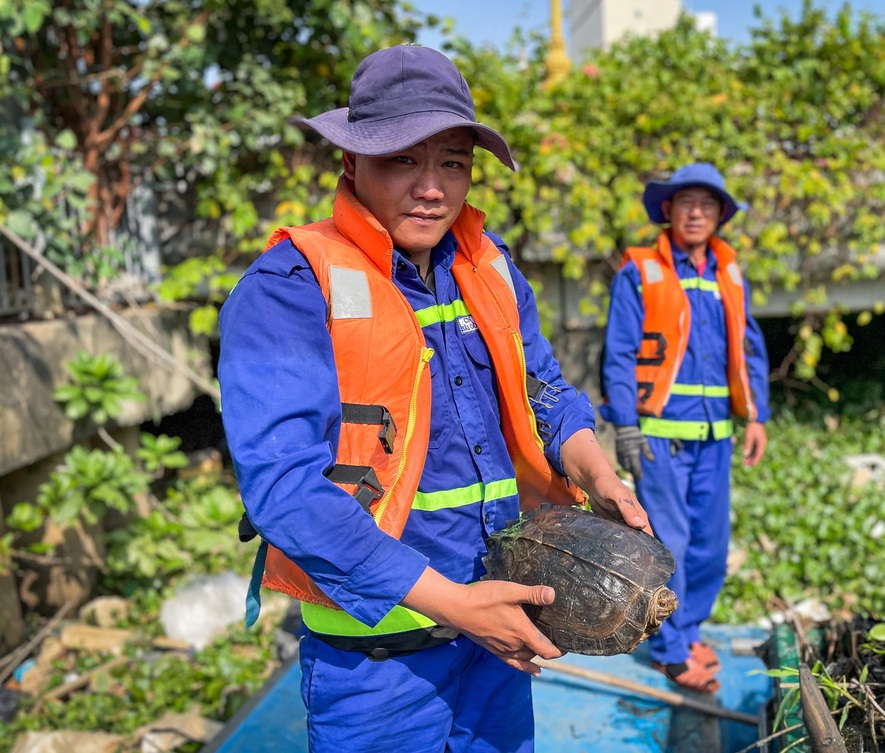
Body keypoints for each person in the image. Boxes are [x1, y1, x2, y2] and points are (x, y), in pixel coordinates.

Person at [218, 44, 651, 752]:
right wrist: (457, 605)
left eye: (452, 161)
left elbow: (543, 387)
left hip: (497, 644)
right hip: (375, 668)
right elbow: (286, 490)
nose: (432, 188)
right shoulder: (290, 286)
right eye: (402, 160)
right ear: (351, 163)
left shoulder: (490, 267)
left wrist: (596, 473)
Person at [600, 162, 771, 694]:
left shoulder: (728, 274)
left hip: (715, 439)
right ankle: (670, 652)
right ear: (668, 211)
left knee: (710, 548)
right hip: (660, 438)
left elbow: (749, 349)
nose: (695, 213)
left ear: (720, 215)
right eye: (685, 203)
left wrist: (757, 415)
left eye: (707, 204)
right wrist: (625, 426)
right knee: (668, 545)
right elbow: (621, 354)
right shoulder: (641, 271)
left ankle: (688, 630)